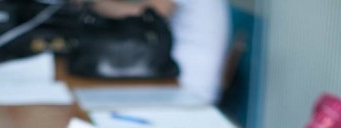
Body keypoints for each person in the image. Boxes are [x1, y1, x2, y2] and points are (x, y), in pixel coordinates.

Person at [83, 0, 231, 104]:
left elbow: (149, 13)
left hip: (189, 90)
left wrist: (93, 3)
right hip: (171, 81)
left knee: (96, 103)